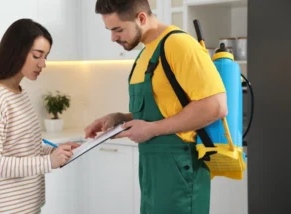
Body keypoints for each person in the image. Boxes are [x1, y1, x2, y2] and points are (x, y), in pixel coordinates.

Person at [84, 0, 228, 213]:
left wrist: (151, 129)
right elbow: (166, 108)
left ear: (141, 18)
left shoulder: (178, 44)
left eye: (118, 29)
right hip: (152, 172)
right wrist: (120, 118)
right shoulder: (146, 53)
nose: (113, 38)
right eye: (110, 30)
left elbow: (215, 106)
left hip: (180, 170)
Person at [0, 18, 79, 214]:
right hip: (2, 207)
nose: (43, 64)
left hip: (23, 204)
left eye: (46, 56)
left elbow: (23, 150)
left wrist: (53, 153)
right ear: (16, 52)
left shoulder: (18, 92)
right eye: (37, 55)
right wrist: (47, 162)